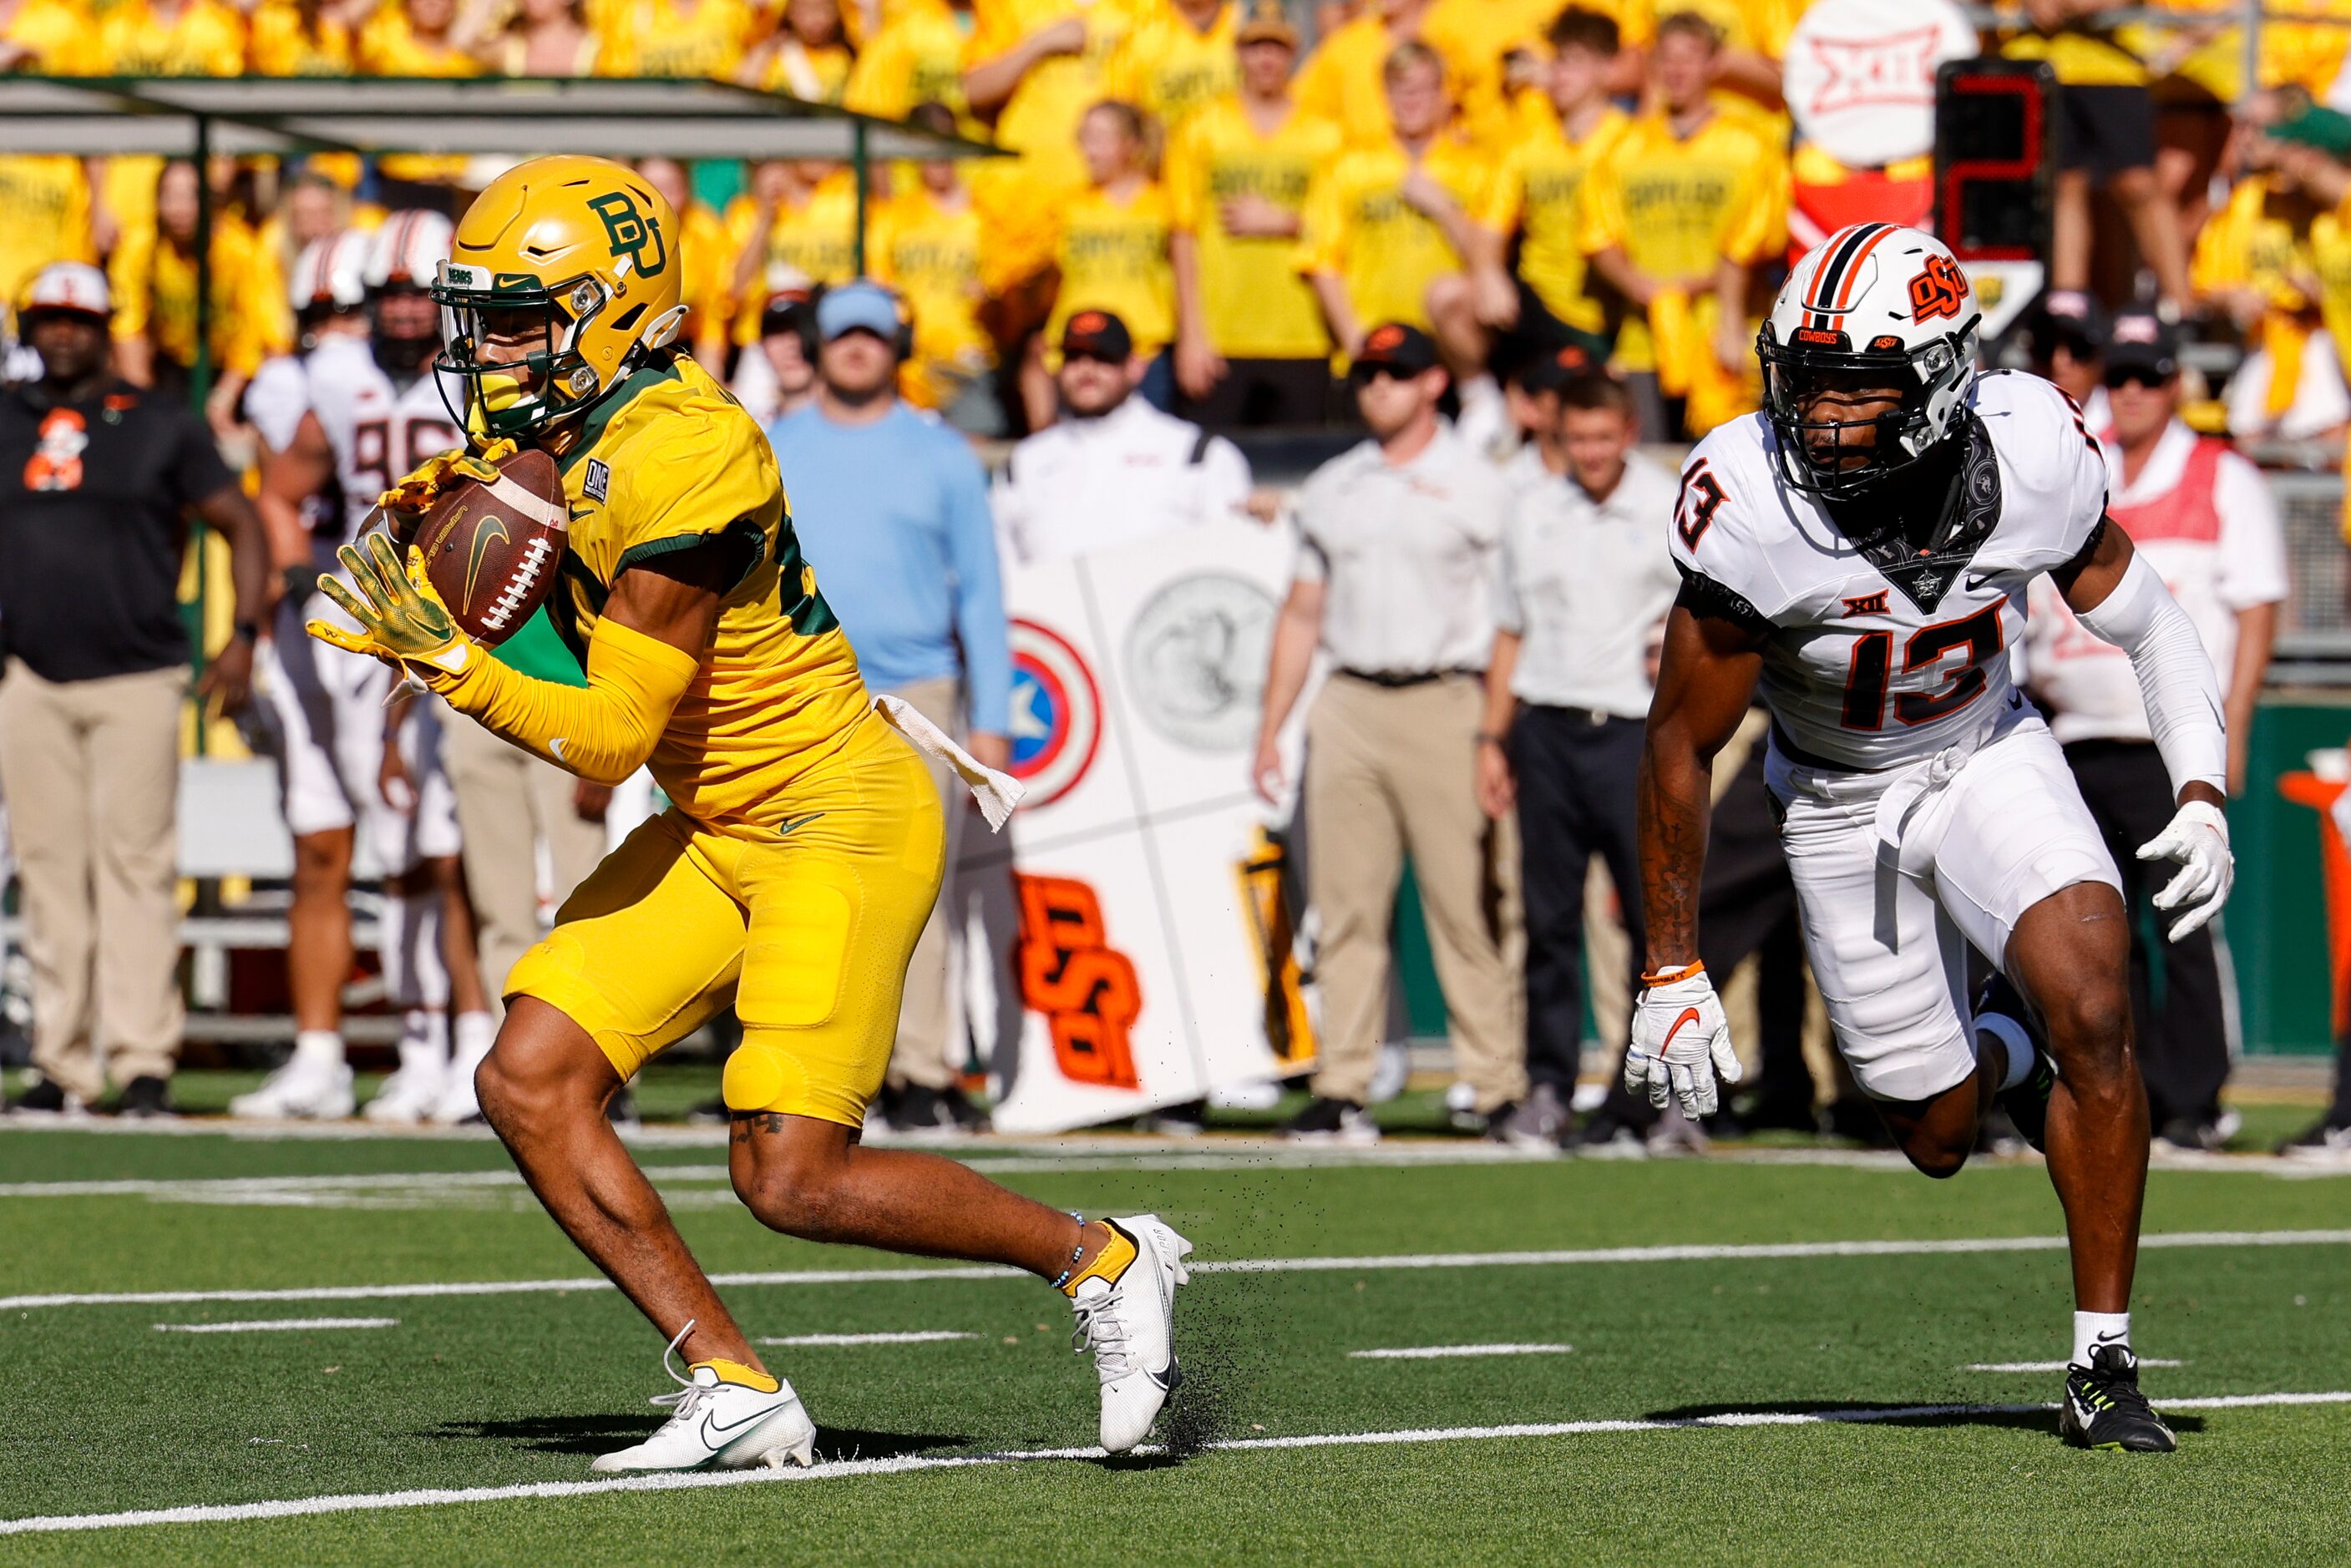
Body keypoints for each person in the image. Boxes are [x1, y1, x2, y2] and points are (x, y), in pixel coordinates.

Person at [316, 158, 1185, 1469]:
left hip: (833, 810)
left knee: (791, 1175)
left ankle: (1101, 1257)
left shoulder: (687, 449)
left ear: (613, 311)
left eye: (512, 320)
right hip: (719, 819)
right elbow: (586, 660)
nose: (482, 354)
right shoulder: (570, 433)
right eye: (475, 320)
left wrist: (441, 657)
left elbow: (610, 734)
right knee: (529, 1079)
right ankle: (732, 1383)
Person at [1639, 223, 2232, 1453]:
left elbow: (2152, 622)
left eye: (1859, 384)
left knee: (2096, 999)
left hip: (1987, 755)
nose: (1823, 417)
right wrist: (1667, 964)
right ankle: (2001, 1047)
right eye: (1806, 381)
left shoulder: (2033, 451)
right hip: (1836, 801)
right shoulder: (1748, 502)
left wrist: (2199, 791)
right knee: (1935, 1135)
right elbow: (1677, 743)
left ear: (1941, 379)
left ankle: (2100, 1358)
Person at [238, 211, 494, 1125]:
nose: (399, 314)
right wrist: (303, 571)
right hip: (359, 624)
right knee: (367, 847)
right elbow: (278, 491)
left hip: (457, 626)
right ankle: (368, 1050)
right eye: (385, 296)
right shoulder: (334, 380)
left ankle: (458, 1039)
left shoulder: (488, 381)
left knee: (436, 849)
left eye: (413, 295)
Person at [0, 262, 267, 1118]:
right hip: (30, 674)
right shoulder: (5, 419)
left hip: (139, 675)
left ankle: (143, 1057)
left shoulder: (161, 425)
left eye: (77, 318)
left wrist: (245, 635)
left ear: (107, 326)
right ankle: (60, 1060)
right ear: (28, 325)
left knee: (136, 869)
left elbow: (242, 522)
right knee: (48, 874)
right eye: (46, 318)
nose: (62, 332)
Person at [1250, 322, 1523, 1144]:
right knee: (1344, 906)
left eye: (1395, 373)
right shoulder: (1334, 484)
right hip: (1348, 700)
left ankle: (1494, 1080)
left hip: (1447, 699)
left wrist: (1495, 731)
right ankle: (1343, 1081)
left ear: (1433, 383)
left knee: (1465, 904)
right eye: (1367, 374)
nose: (1378, 387)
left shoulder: (1481, 483)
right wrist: (1270, 730)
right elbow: (1301, 612)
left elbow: (1513, 617)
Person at [2022, 311, 2284, 1152]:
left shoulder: (2218, 474)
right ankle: (2118, 1090)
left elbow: (2255, 607)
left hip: (2158, 741)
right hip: (2070, 735)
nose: (2129, 392)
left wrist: (2227, 728)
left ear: (2175, 385)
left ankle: (2198, 1098)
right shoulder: (2075, 458)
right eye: (2119, 374)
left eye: (2147, 376)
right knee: (2091, 929)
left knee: (2183, 924)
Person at [768, 279, 1012, 1135]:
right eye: (842, 336)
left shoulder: (941, 452)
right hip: (797, 689)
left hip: (917, 694)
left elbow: (981, 589)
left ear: (897, 347)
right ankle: (800, 1068)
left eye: (873, 336)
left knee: (920, 892)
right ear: (819, 346)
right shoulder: (772, 443)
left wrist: (992, 720)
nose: (857, 349)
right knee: (795, 886)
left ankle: (919, 1070)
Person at [1475, 371, 1678, 1149]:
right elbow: (1507, 628)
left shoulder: (1665, 505)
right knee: (1548, 920)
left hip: (1631, 731)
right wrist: (1492, 739)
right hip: (1546, 728)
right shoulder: (1530, 510)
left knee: (1649, 922)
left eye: (1603, 438)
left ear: (1627, 433)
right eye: (1576, 440)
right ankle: (1549, 1088)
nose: (1590, 454)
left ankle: (1655, 1095)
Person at [1577, 10, 1787, 439]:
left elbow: (1760, 234)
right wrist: (1640, 285)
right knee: (1646, 464)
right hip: (1644, 340)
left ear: (1713, 64)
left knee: (1723, 472)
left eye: (1689, 57)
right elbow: (1598, 233)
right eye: (1666, 58)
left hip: (1721, 337)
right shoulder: (1624, 148)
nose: (1677, 70)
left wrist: (1706, 285)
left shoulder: (1748, 145)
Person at [1166, 0, 1342, 427]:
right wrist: (1191, 334)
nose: (1266, 58)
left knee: (1296, 474)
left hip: (1302, 336)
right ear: (1238, 52)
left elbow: (1345, 228)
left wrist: (1285, 222)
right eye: (1256, 46)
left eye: (1277, 48)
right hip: (1222, 336)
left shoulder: (1325, 135)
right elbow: (1182, 233)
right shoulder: (1201, 127)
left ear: (1293, 53)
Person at [1432, 7, 1627, 393]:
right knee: (1449, 295)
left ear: (1606, 69)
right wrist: (1488, 272)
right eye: (1555, 62)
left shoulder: (1631, 141)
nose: (1560, 74)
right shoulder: (1528, 146)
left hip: (1614, 310)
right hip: (1542, 303)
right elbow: (1488, 226)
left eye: (1573, 62)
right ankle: (1482, 400)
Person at [996, 309, 1253, 565]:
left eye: (1103, 358)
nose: (1086, 370)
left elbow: (1232, 559)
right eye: (1073, 357)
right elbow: (1001, 565)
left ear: (1135, 367)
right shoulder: (1024, 463)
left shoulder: (1196, 453)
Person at [1297, 42, 1494, 366]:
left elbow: (1491, 267)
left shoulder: (1476, 169)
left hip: (1451, 354)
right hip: (1375, 349)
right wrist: (1356, 342)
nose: (1411, 99)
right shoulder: (1349, 167)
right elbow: (1321, 260)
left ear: (1442, 92)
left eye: (1423, 88)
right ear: (1385, 95)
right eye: (1401, 89)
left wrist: (1445, 210)